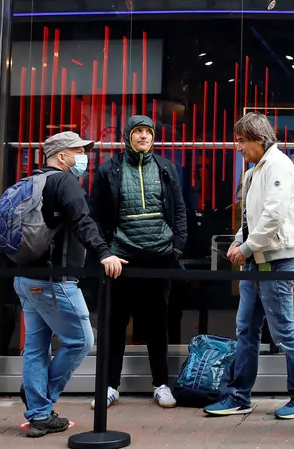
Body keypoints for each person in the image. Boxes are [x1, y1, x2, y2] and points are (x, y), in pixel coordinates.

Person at [12, 131, 126, 439]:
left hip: (24, 278)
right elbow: (83, 220)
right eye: (79, 151)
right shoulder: (64, 182)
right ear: (62, 156)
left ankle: (38, 412)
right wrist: (104, 253)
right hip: (54, 280)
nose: (84, 157)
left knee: (35, 348)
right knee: (81, 341)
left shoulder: (30, 182)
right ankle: (41, 401)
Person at [204, 113, 294, 420]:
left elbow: (273, 216)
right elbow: (254, 216)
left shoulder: (277, 166)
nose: (238, 146)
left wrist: (246, 247)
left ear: (258, 139)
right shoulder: (260, 168)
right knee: (247, 329)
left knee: (284, 329)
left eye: (242, 140)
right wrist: (240, 241)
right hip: (259, 260)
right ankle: (240, 394)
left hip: (275, 260)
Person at [89, 115, 188, 410]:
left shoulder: (166, 168)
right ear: (127, 136)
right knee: (115, 323)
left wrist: (177, 247)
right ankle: (110, 385)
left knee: (158, 324)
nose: (143, 136)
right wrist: (105, 252)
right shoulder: (109, 170)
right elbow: (95, 215)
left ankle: (161, 385)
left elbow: (180, 208)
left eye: (148, 132)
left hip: (160, 258)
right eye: (138, 132)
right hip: (121, 258)